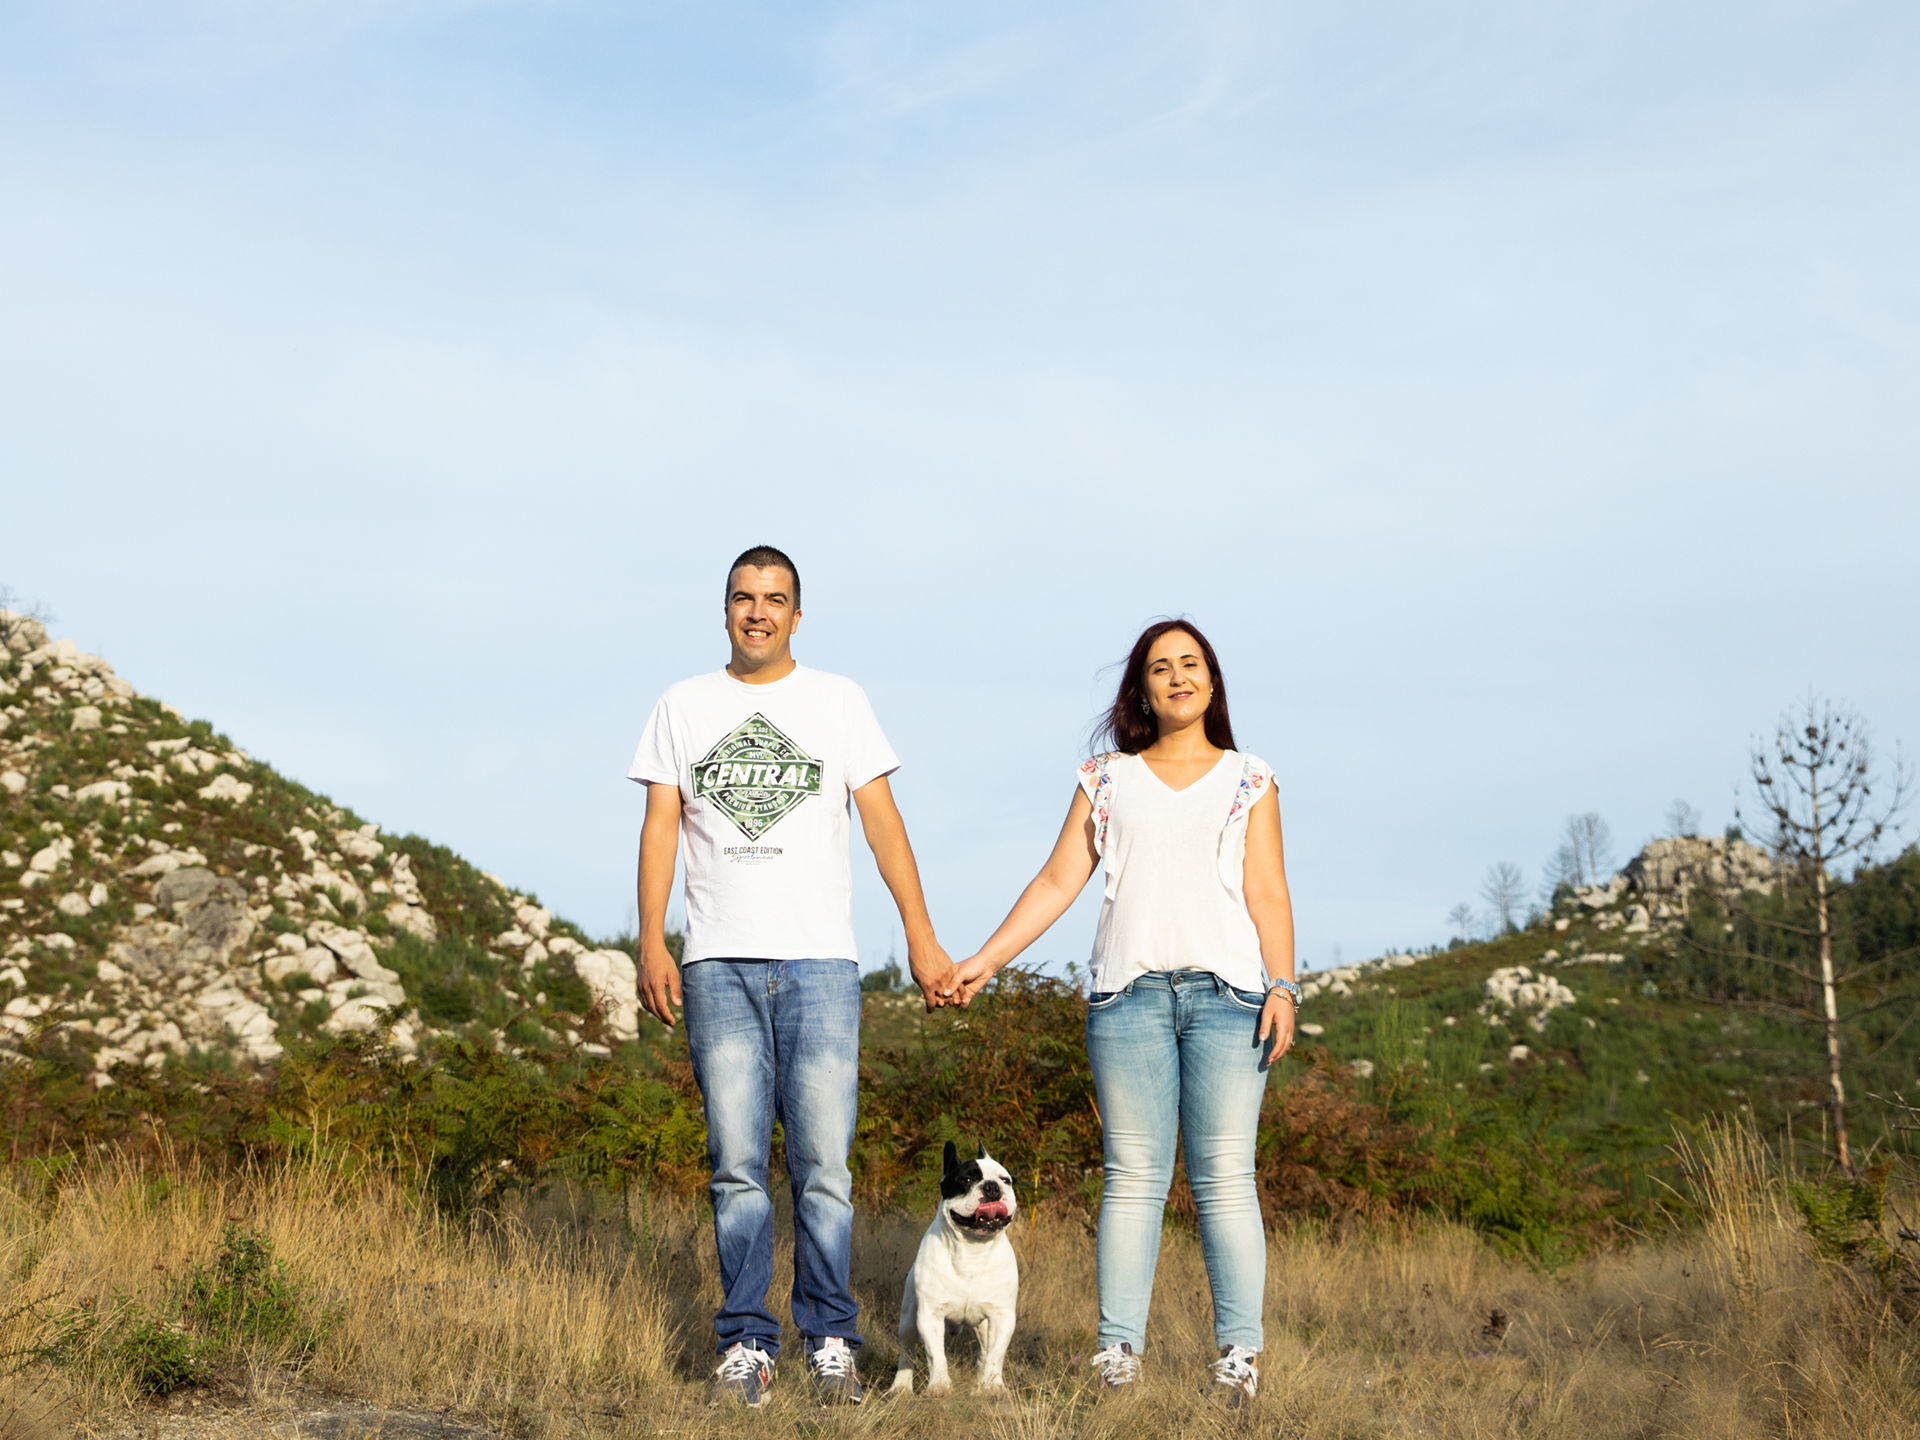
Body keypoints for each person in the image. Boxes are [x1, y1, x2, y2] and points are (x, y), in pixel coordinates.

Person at [629, 545, 960, 1409]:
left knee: (823, 1166)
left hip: (821, 965)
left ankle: (830, 1340)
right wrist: (651, 942)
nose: (758, 612)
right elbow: (661, 827)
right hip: (716, 964)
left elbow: (884, 826)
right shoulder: (682, 705)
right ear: (725, 609)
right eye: (744, 597)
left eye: (775, 599)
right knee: (736, 1163)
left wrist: (921, 941)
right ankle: (746, 1343)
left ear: (797, 616)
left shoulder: (838, 701)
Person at [954, 619, 1298, 1407]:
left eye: (1191, 664)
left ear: (1212, 680)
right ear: (1141, 689)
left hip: (1231, 1000)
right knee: (1134, 1180)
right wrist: (984, 962)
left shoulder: (1251, 778)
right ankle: (1116, 1356)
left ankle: (1238, 1359)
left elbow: (1268, 891)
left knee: (1225, 1181)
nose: (1177, 677)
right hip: (1127, 1000)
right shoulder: (1106, 778)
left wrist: (1284, 986)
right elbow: (1053, 883)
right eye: (1159, 668)